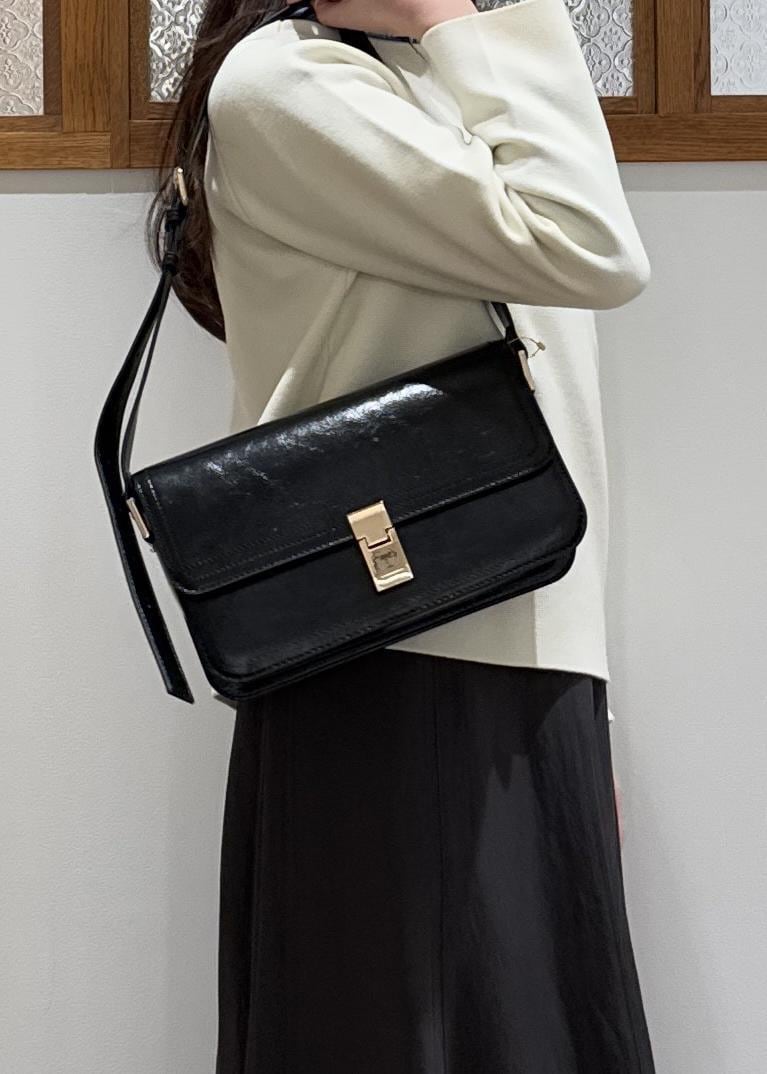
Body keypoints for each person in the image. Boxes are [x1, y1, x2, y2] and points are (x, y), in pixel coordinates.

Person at [148, 0, 655, 1070]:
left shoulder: (440, 75)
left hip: (509, 655)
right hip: (386, 663)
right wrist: (453, 20)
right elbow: (591, 245)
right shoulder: (290, 83)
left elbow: (559, 400)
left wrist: (582, 694)